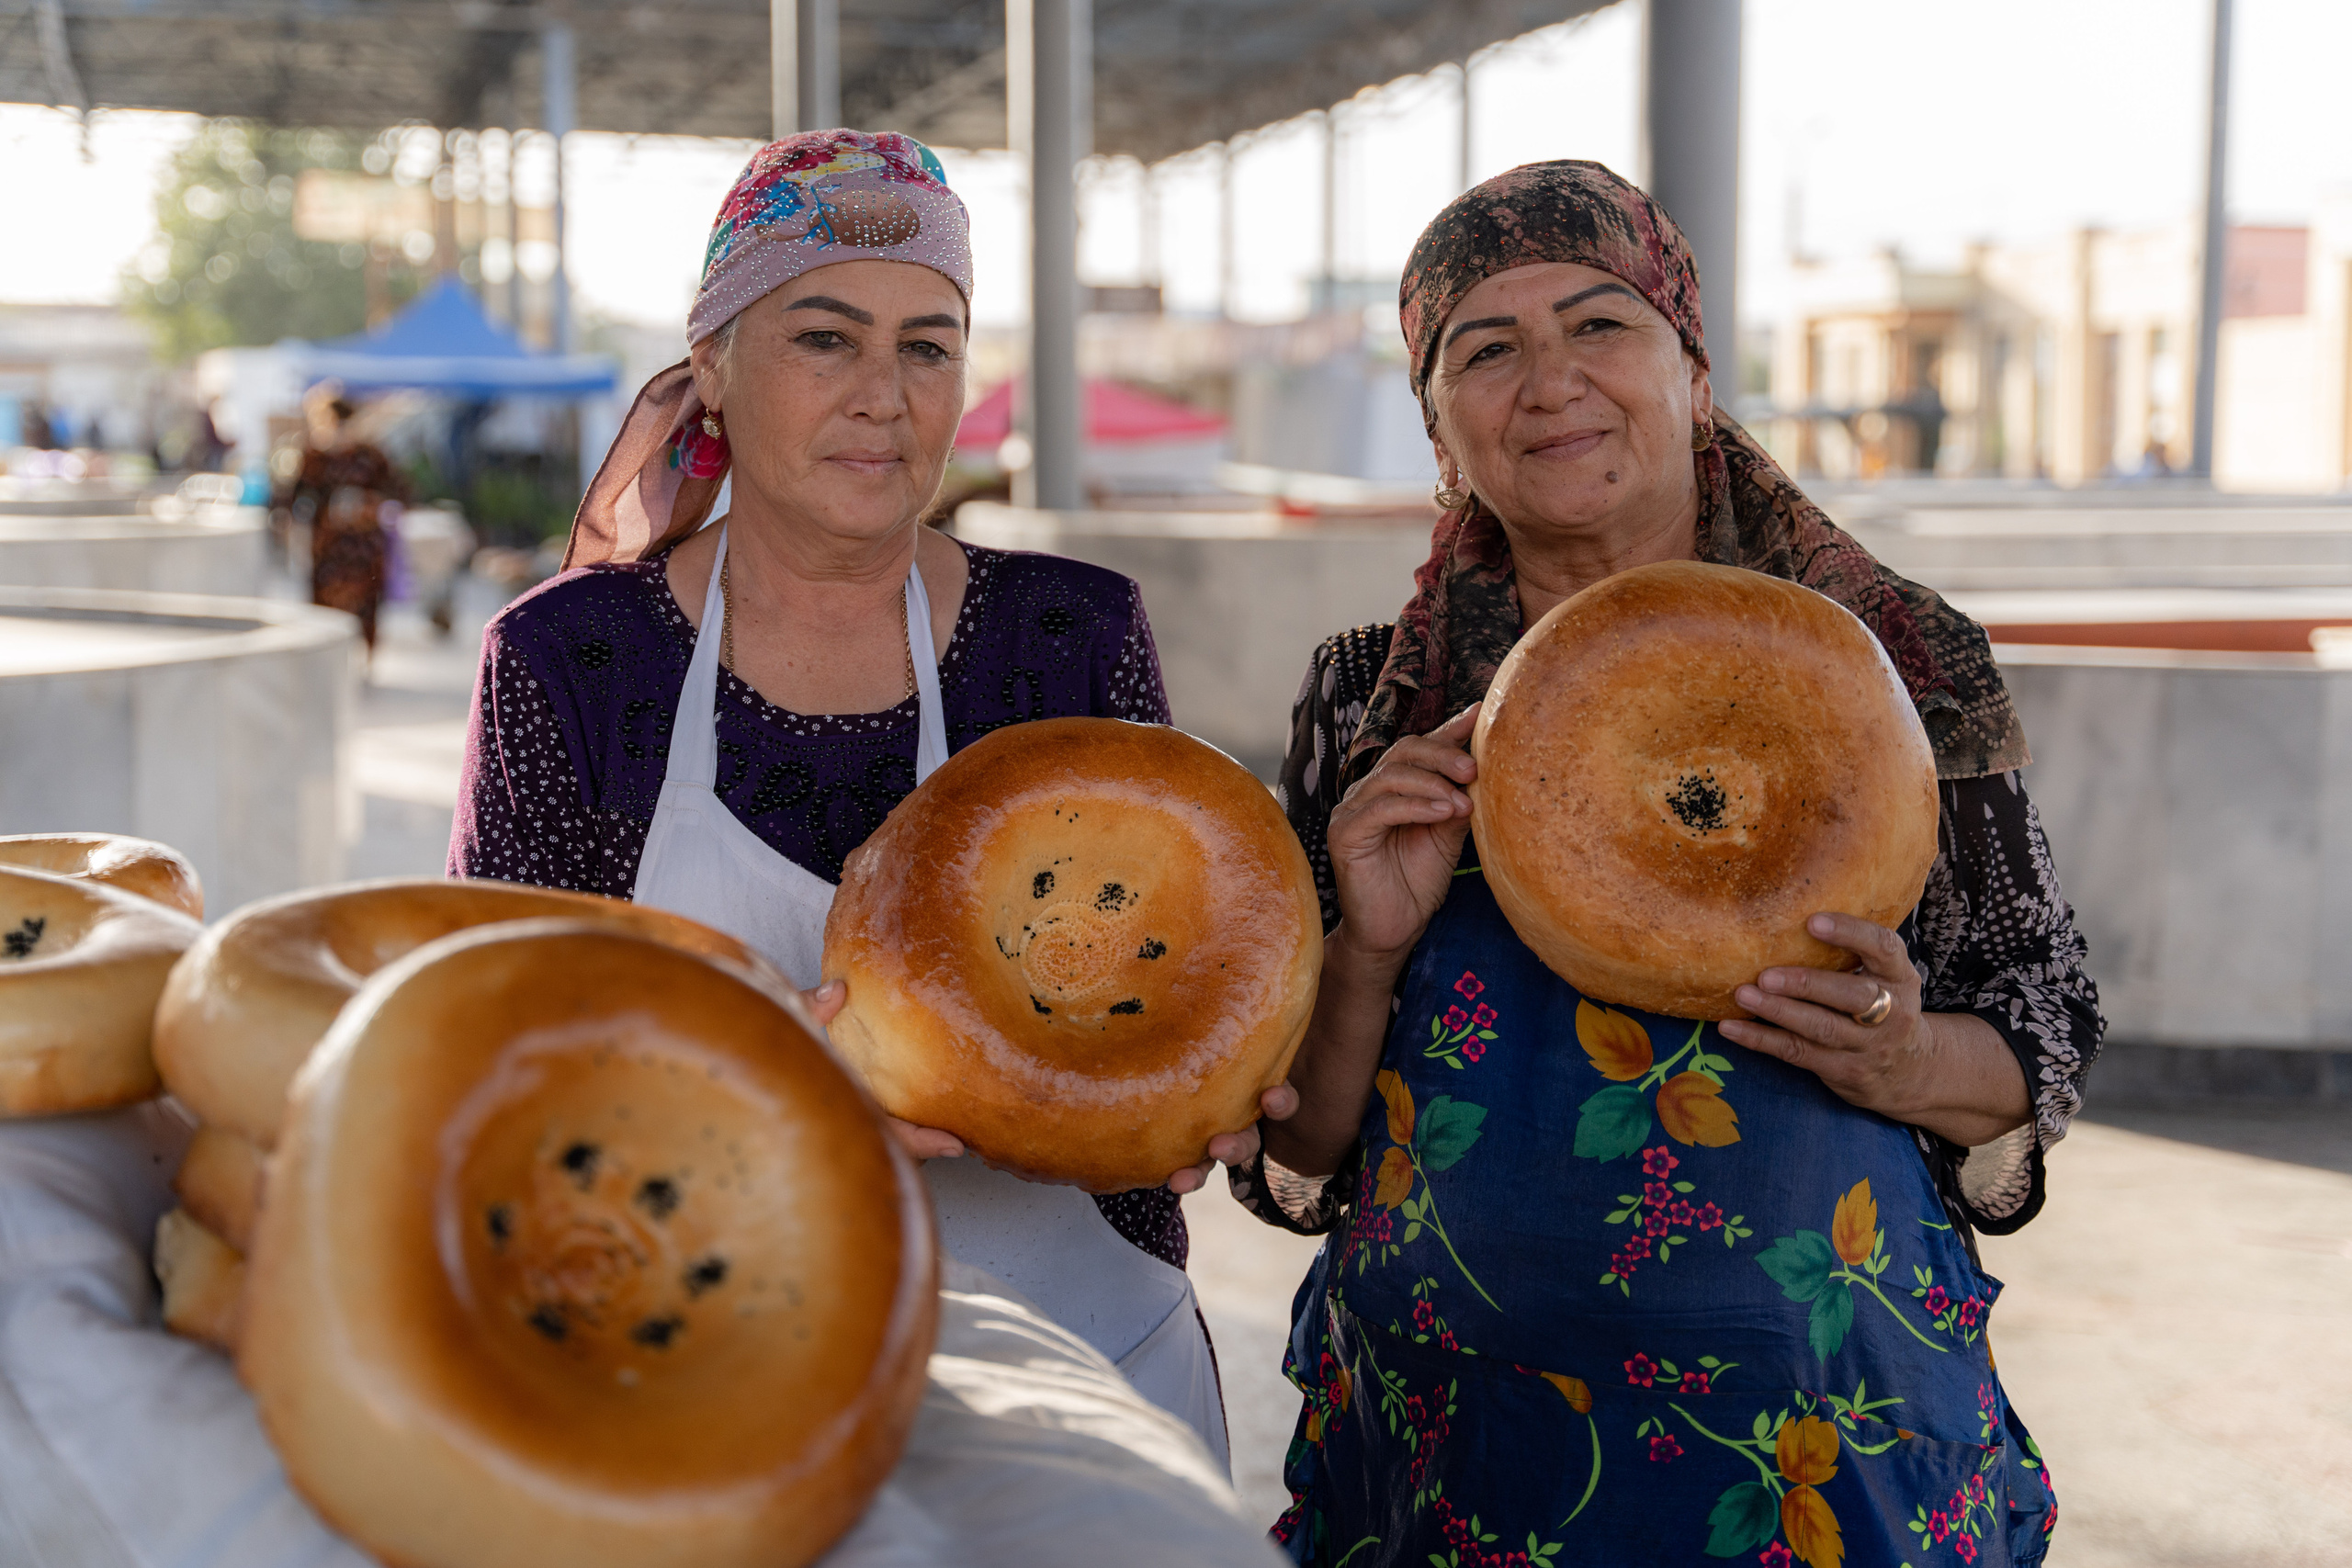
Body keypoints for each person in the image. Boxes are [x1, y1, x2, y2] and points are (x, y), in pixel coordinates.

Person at [1206, 163, 2101, 1565]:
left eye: (1598, 325)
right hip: (1457, 1448)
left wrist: (1903, 1054)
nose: (1550, 379)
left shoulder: (1892, 672)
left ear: (1692, 373)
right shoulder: (1373, 701)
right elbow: (1305, 1142)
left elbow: (2045, 1024)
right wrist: (1369, 946)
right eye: (1485, 350)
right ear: (1442, 431)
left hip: (1819, 1454)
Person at [448, 129, 1238, 1461]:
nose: (884, 393)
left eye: (927, 345)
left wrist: (1185, 1092)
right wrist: (773, 1098)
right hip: (698, 1370)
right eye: (826, 338)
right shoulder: (570, 660)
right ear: (713, 362)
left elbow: (1170, 979)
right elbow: (496, 1059)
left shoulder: (1072, 634)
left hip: (1079, 1371)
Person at [277, 390, 407, 651]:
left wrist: (369, 506)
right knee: (326, 610)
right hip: (329, 549)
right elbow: (292, 499)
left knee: (365, 607)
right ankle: (326, 661)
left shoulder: (371, 457)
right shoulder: (313, 457)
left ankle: (363, 661)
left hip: (364, 547)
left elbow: (399, 493)